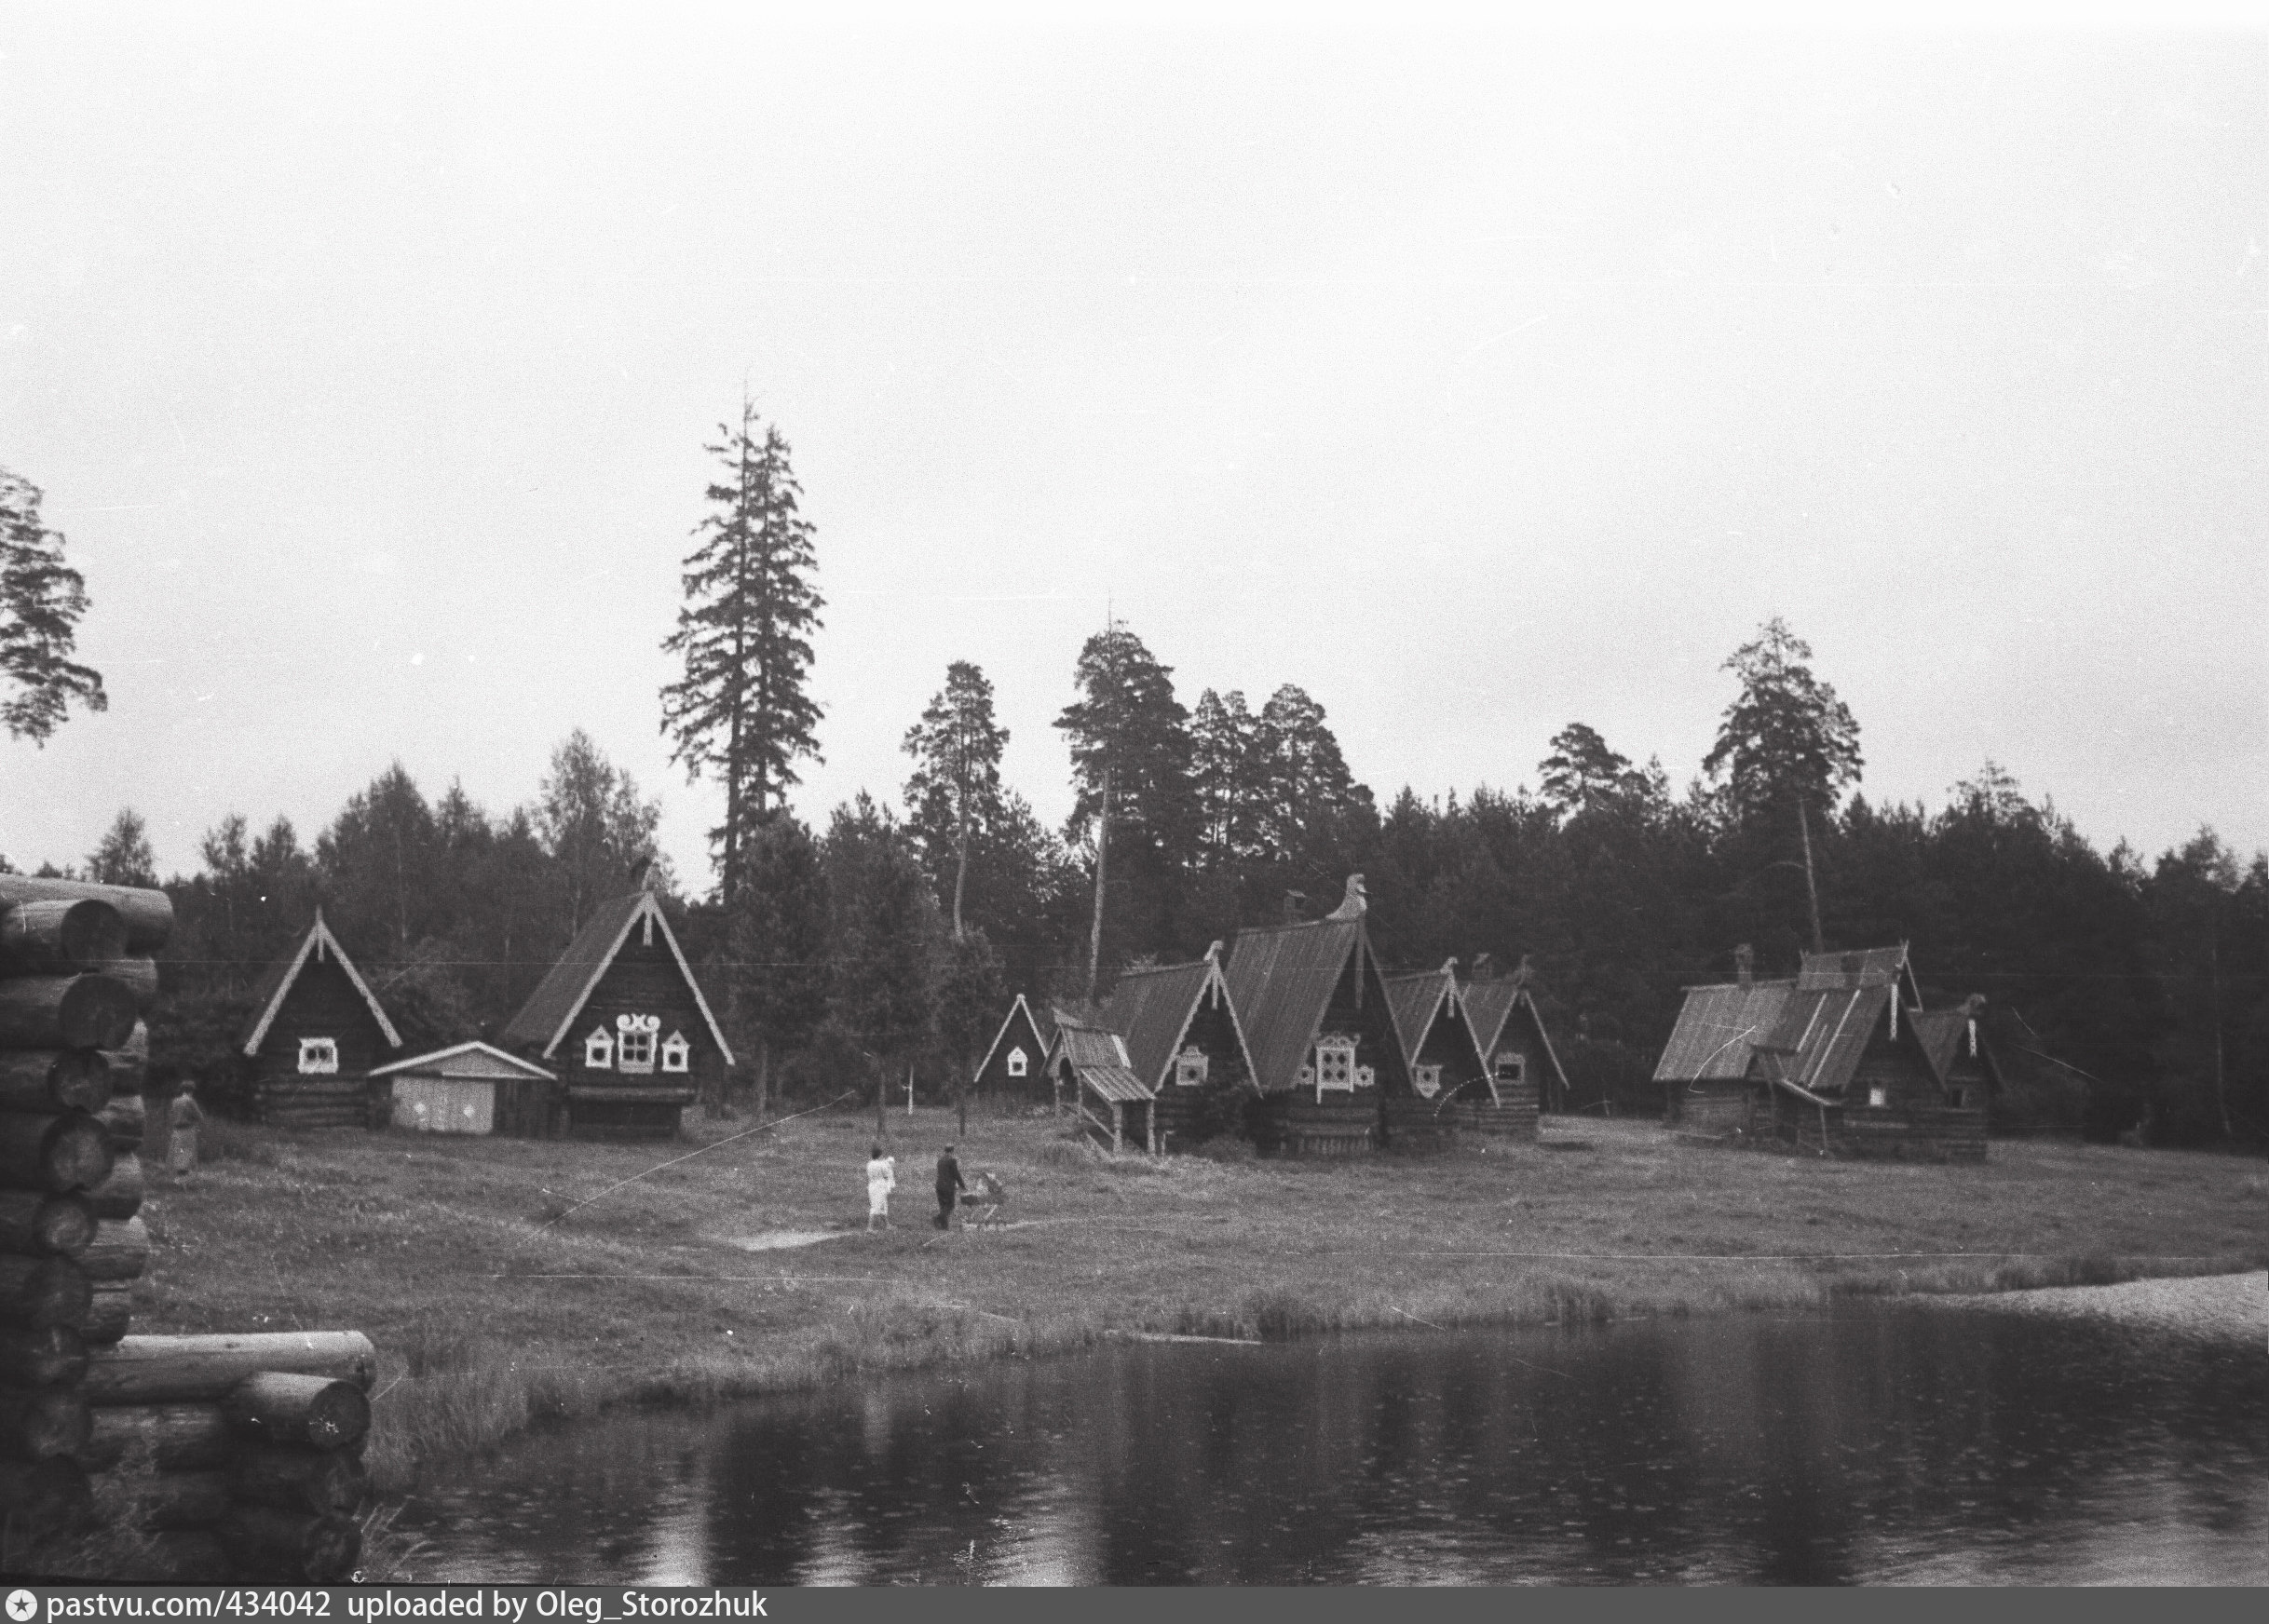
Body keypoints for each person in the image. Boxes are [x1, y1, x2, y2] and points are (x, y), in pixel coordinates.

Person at [168, 1081, 204, 1179]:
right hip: (187, 1129)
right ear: (191, 1090)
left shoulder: (175, 1101)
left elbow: (171, 1115)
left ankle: (177, 1175)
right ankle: (183, 1176)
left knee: (178, 1151)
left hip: (176, 1130)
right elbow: (199, 1116)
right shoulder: (190, 1101)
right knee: (186, 1151)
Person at [934, 1143, 966, 1230]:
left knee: (943, 1206)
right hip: (948, 1186)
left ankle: (944, 1227)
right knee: (950, 1205)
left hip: (939, 1186)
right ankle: (937, 1219)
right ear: (952, 1151)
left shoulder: (940, 1160)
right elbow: (956, 1173)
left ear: (945, 1150)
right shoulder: (952, 1160)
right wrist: (962, 1185)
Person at [864, 1144, 896, 1230]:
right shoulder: (881, 1164)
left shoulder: (869, 1164)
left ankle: (887, 1225)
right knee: (876, 1207)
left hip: (872, 1185)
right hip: (880, 1186)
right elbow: (886, 1175)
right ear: (880, 1155)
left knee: (882, 1206)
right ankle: (869, 1228)